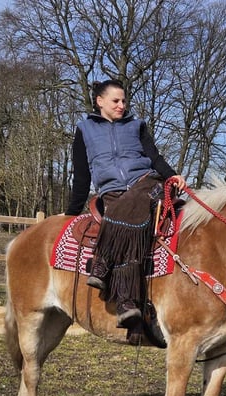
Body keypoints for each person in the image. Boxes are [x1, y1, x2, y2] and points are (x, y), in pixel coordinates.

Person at [65, 79, 185, 328]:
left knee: (131, 208)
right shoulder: (85, 129)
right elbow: (81, 174)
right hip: (112, 191)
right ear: (100, 102)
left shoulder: (136, 125)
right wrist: (72, 212)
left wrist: (172, 175)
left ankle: (105, 265)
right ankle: (127, 303)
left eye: (124, 101)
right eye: (115, 101)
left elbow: (154, 156)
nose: (122, 105)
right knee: (124, 216)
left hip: (144, 182)